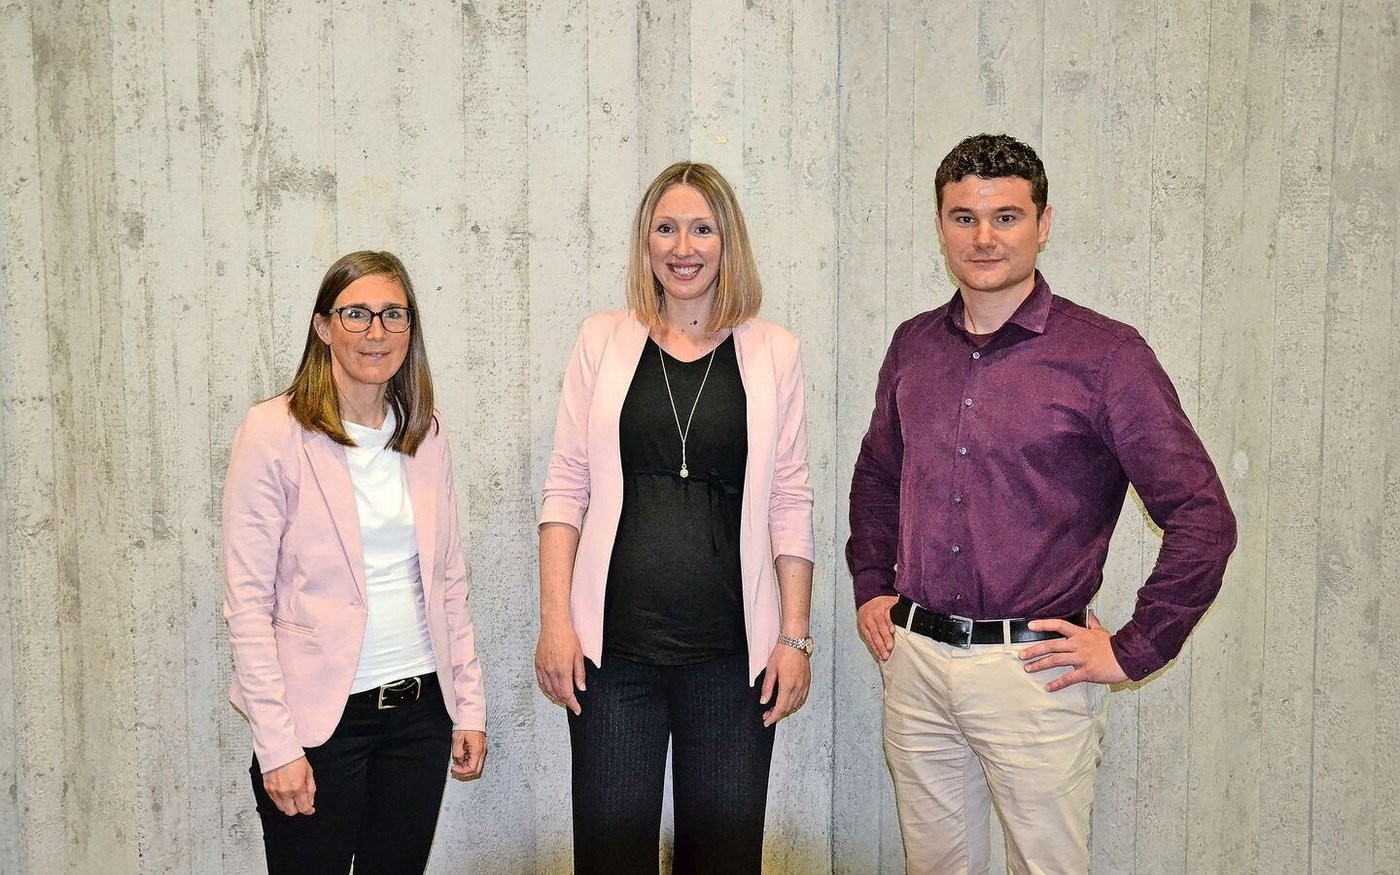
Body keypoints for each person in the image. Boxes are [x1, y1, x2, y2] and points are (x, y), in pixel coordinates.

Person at [847, 134, 1237, 874]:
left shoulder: (1108, 357)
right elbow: (876, 475)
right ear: (939, 225)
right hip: (917, 661)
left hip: (1034, 673)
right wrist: (873, 583)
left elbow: (1203, 516)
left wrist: (1134, 648)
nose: (984, 236)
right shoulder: (912, 346)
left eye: (1005, 216)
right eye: (963, 217)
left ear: (1044, 222)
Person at [535, 161, 815, 874]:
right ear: (645, 240)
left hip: (732, 663)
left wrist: (794, 635)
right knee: (609, 858)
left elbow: (789, 497)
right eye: (665, 227)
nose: (681, 245)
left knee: (723, 860)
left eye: (700, 228)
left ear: (728, 242)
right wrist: (557, 623)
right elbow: (565, 487)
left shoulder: (774, 351)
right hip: (613, 661)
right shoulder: (602, 339)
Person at [222, 250, 488, 875]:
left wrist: (467, 707)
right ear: (323, 327)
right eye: (357, 314)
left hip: (420, 714)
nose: (376, 331)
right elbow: (247, 603)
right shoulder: (273, 432)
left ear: (410, 329)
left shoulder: (425, 432)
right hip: (320, 726)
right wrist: (277, 745)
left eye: (393, 315)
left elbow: (450, 583)